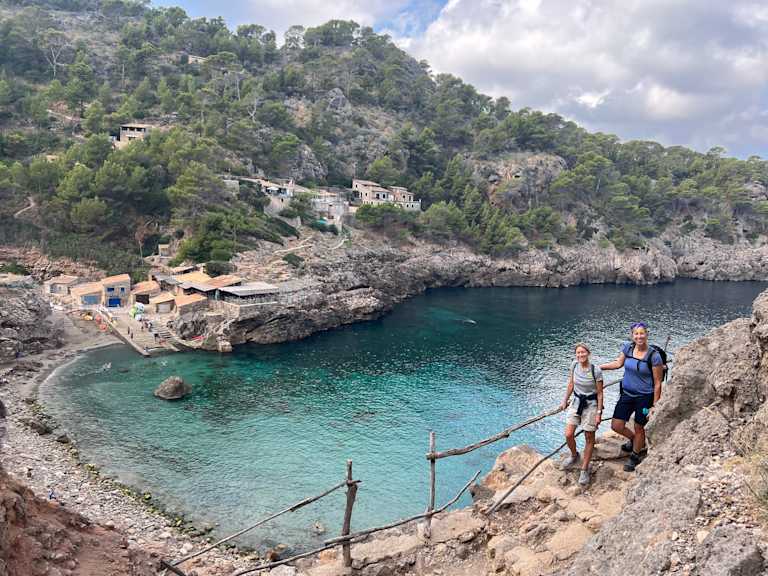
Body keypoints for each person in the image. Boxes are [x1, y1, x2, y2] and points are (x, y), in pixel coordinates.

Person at [600, 322, 664, 472]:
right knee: (616, 425)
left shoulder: (654, 357)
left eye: (642, 333)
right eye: (636, 334)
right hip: (627, 394)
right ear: (632, 335)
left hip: (645, 397)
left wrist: (655, 405)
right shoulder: (628, 348)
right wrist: (599, 367)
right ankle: (634, 440)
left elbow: (658, 383)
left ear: (647, 334)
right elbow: (618, 363)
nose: (639, 336)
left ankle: (635, 455)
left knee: (639, 426)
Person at [560, 343, 604, 486]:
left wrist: (599, 413)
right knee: (568, 434)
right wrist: (564, 401)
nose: (580, 355)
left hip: (591, 406)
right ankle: (574, 455)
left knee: (589, 437)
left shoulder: (595, 370)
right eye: (578, 353)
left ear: (588, 353)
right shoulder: (574, 365)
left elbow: (600, 392)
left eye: (583, 353)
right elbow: (571, 384)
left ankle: (584, 469)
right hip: (576, 403)